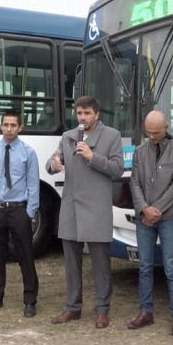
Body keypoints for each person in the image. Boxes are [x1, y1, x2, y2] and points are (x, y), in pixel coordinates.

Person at [47, 95, 123, 329]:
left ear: (96, 114)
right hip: (71, 207)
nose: (82, 117)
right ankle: (73, 307)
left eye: (87, 113)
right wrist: (53, 164)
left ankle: (102, 309)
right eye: (79, 113)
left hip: (97, 208)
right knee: (71, 262)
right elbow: (52, 162)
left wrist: (93, 157)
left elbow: (118, 169)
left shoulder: (112, 136)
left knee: (100, 263)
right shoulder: (68, 136)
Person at [127, 110, 173, 336]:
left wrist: (156, 209)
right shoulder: (139, 151)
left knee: (171, 267)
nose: (152, 136)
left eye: (156, 132)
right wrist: (144, 208)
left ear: (166, 128)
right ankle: (146, 312)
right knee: (144, 266)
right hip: (145, 217)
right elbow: (134, 183)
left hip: (169, 217)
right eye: (148, 132)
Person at [0, 110, 40, 318]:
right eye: (6, 124)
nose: (9, 129)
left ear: (20, 127)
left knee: (25, 256)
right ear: (1, 126)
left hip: (18, 210)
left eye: (13, 125)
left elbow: (33, 185)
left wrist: (29, 212)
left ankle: (30, 300)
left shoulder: (28, 152)